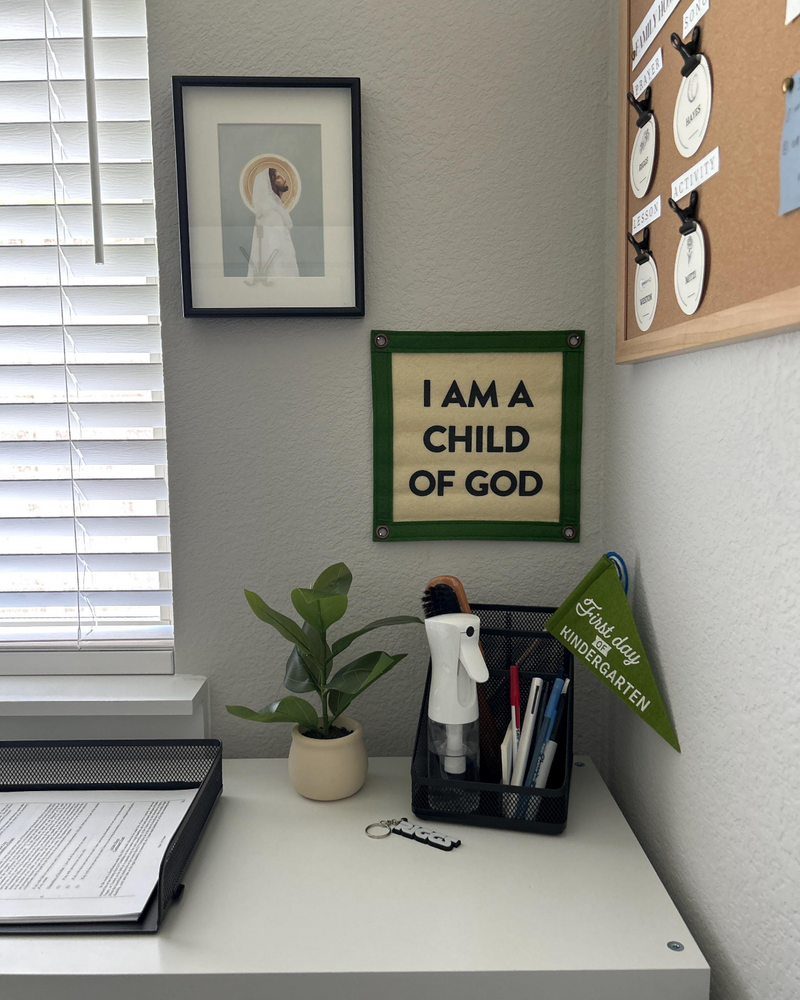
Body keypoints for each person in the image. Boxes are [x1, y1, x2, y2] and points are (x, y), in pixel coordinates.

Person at [246, 165, 299, 282]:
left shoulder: (275, 209)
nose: (284, 179)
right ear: (270, 185)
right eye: (278, 178)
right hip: (277, 275)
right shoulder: (271, 214)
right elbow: (276, 251)